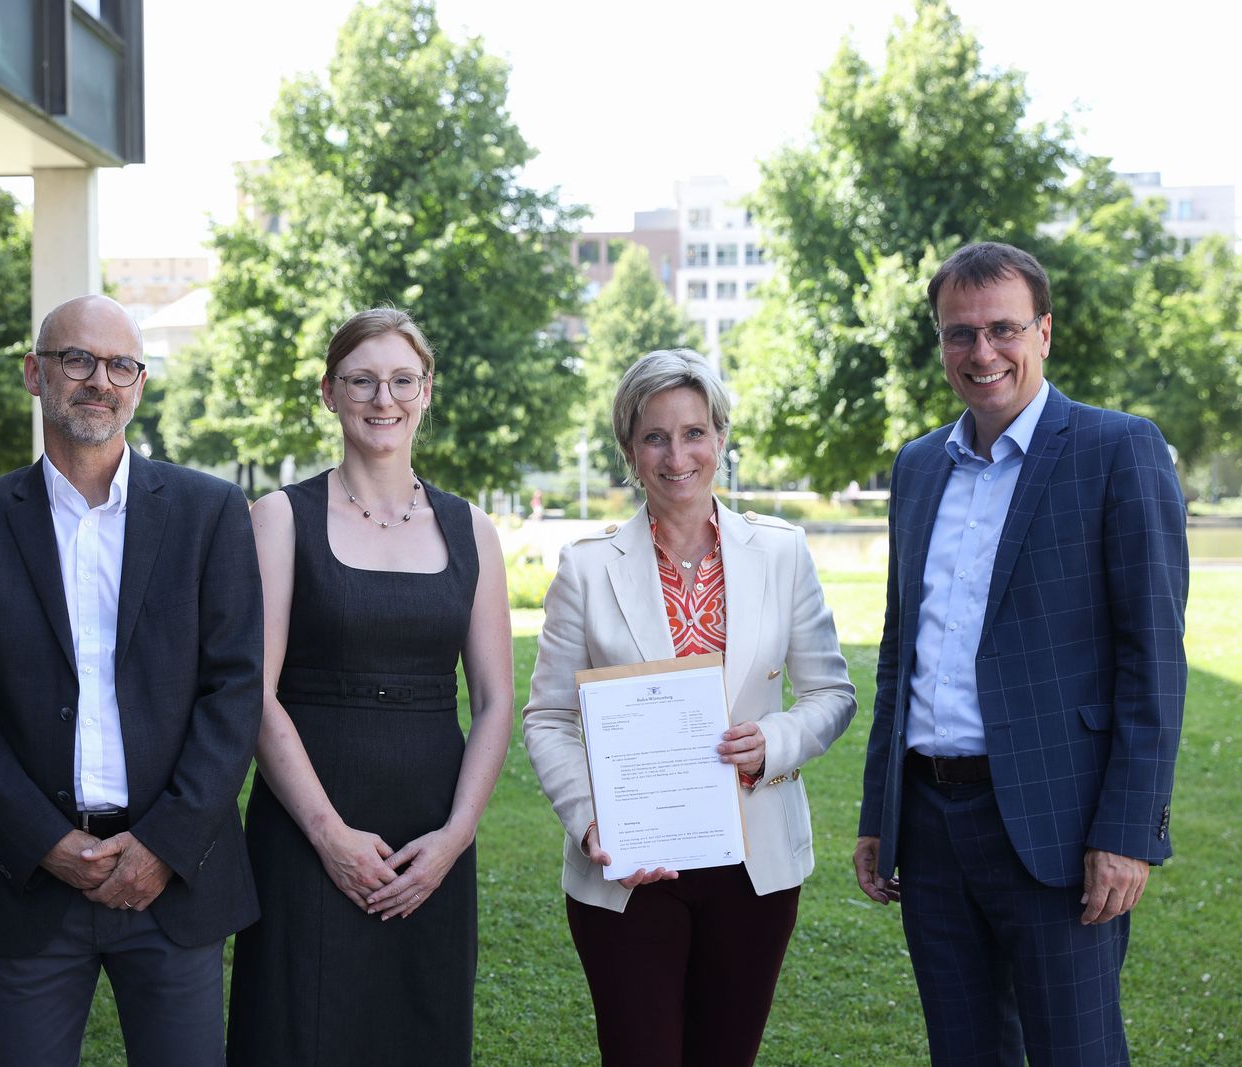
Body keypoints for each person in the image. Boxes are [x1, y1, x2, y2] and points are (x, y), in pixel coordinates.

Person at [853, 242, 1188, 1066]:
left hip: (1060, 829)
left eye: (1003, 328)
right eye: (959, 333)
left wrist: (1127, 830)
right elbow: (903, 650)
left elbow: (1155, 660)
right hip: (930, 828)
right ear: (940, 343)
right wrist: (878, 811)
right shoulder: (919, 466)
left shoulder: (1118, 451)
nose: (982, 352)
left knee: (1077, 1052)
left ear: (1044, 331)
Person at [0, 295, 264, 1066]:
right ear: (35, 374)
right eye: (77, 359)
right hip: (31, 882)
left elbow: (234, 692)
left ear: (139, 383)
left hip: (173, 879)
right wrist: (47, 843)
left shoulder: (210, 513)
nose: (98, 380)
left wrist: (163, 845)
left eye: (120, 365)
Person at [524, 349, 858, 1067]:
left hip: (754, 867)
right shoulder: (586, 567)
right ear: (630, 449)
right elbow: (547, 718)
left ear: (721, 438)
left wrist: (776, 738)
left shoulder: (781, 551)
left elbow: (832, 692)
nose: (678, 455)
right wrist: (590, 819)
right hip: (626, 871)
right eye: (655, 436)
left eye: (695, 432)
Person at [225, 308, 513, 1066]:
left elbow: (493, 701)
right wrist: (328, 835)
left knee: (419, 1032)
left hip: (430, 841)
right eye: (361, 379)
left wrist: (455, 836)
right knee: (297, 1030)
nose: (382, 399)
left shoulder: (473, 529)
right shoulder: (279, 519)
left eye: (401, 380)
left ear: (426, 392)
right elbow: (254, 693)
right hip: (306, 829)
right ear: (329, 392)